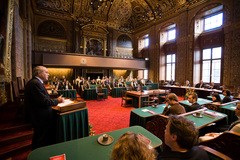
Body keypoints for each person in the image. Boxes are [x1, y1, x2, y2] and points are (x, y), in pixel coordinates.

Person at [24, 66, 64, 150]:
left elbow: (43, 98)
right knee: (41, 138)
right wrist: (58, 100)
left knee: (40, 136)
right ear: (39, 73)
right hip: (40, 116)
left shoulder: (36, 82)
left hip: (40, 114)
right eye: (46, 72)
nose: (48, 74)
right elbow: (44, 101)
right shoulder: (35, 83)